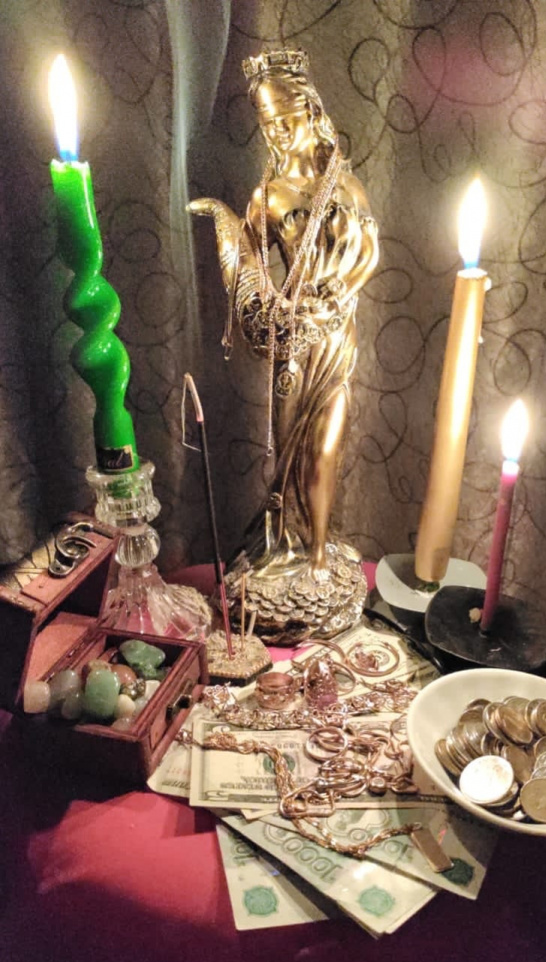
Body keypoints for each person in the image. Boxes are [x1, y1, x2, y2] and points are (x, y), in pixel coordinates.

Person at [190, 49, 378, 579]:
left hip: (337, 336)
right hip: (293, 341)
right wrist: (225, 223)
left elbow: (370, 253)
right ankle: (287, 542)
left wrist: (338, 294)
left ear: (311, 112)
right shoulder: (268, 196)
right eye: (268, 123)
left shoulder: (344, 185)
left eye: (287, 119)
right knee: (291, 449)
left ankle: (318, 552)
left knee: (326, 447)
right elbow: (251, 266)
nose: (278, 132)